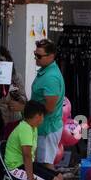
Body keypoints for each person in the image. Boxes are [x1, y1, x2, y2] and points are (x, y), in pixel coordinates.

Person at [3, 102, 70, 180]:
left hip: (26, 164)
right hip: (16, 168)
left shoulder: (31, 127)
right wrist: (31, 179)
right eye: (42, 116)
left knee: (59, 177)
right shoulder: (25, 128)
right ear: (37, 116)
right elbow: (27, 155)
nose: (43, 119)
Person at [29, 38, 65, 169]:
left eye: (39, 56)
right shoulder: (46, 72)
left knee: (46, 166)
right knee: (43, 165)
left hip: (47, 129)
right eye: (35, 54)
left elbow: (49, 107)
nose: (36, 58)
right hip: (43, 127)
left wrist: (25, 107)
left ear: (51, 56)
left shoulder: (50, 77)